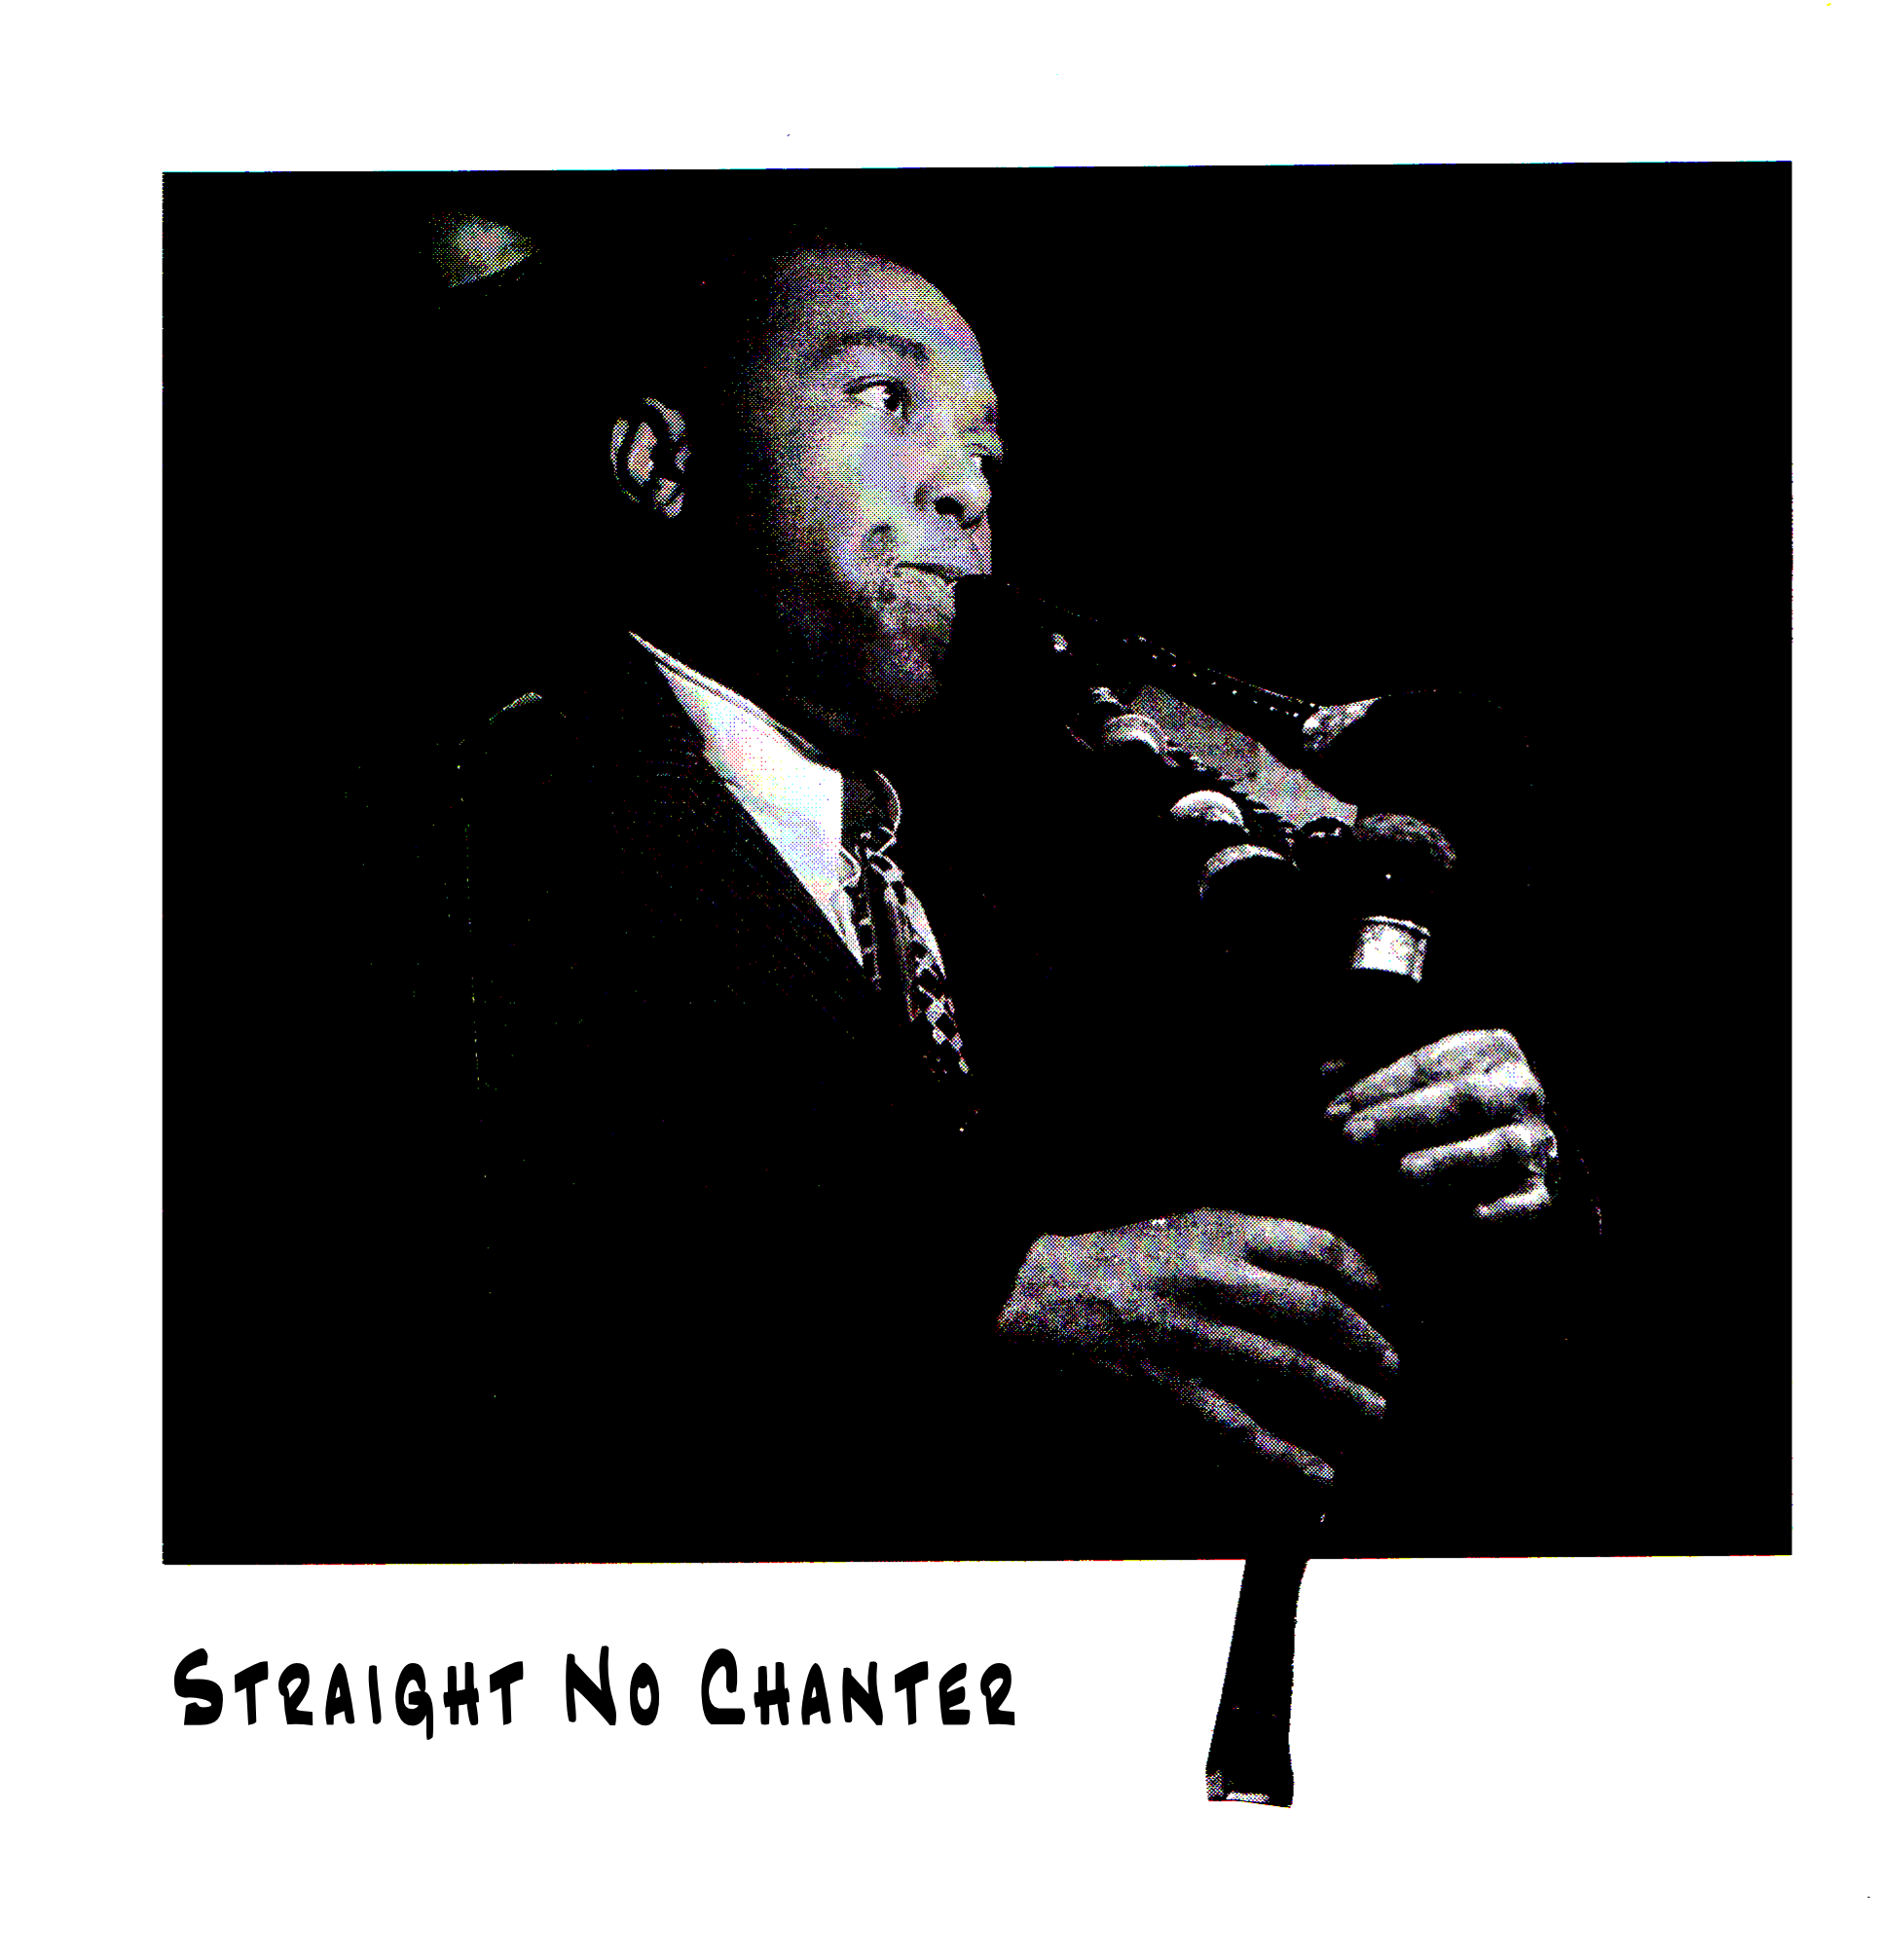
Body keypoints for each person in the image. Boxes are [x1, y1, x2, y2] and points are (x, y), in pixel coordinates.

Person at [460, 241, 1578, 1560]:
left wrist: (1451, 1160)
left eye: (988, 456)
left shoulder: (1014, 880)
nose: (965, 488)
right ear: (662, 463)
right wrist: (985, 1299)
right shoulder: (479, 818)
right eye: (888, 400)